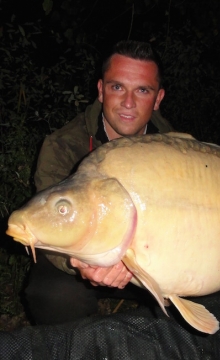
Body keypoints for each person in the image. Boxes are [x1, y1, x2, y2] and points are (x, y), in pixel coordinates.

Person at [25, 40, 174, 325]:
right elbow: (45, 224)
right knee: (52, 295)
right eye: (117, 87)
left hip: (152, 259)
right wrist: (80, 263)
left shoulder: (177, 149)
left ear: (158, 99)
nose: (128, 102)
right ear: (101, 90)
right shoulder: (63, 146)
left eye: (142, 90)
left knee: (207, 287)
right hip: (83, 263)